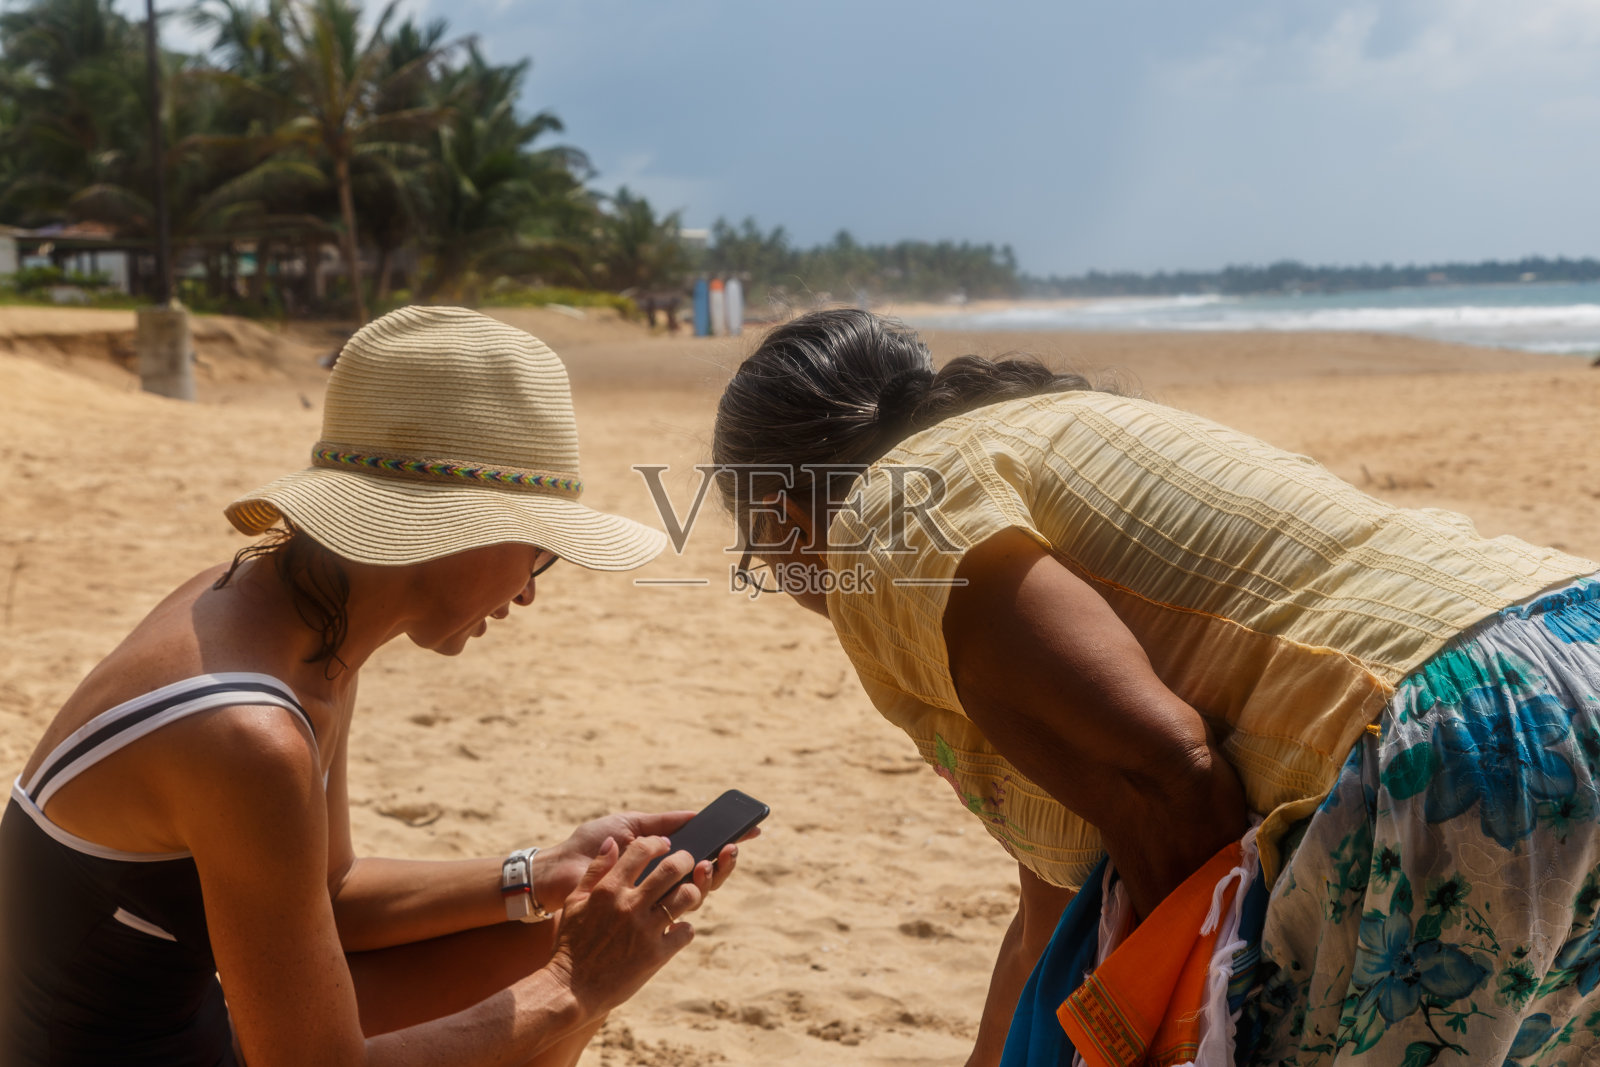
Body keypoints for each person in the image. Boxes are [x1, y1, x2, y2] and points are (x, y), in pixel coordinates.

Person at [711, 307, 1600, 1065]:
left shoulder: (884, 518)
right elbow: (1046, 910)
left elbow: (1163, 769)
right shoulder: (1048, 432)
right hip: (1571, 640)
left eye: (762, 556)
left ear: (786, 517)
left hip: (1459, 732)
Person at [0, 305, 746, 1065]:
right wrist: (579, 983)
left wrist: (541, 870)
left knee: (552, 943)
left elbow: (333, 889)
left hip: (173, 1027)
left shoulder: (289, 617)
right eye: (542, 550)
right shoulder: (248, 734)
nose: (529, 590)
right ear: (460, 528)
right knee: (565, 978)